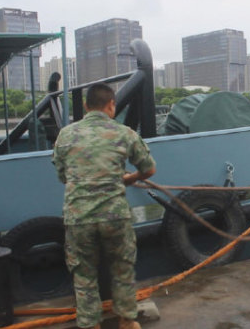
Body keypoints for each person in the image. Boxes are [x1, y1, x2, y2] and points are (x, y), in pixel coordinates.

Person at [52, 83, 156, 329]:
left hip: (79, 219)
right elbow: (148, 169)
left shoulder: (66, 135)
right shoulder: (125, 133)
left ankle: (91, 325)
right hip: (115, 217)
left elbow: (63, 176)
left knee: (84, 275)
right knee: (122, 270)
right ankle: (127, 321)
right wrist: (128, 179)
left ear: (86, 106)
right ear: (111, 106)